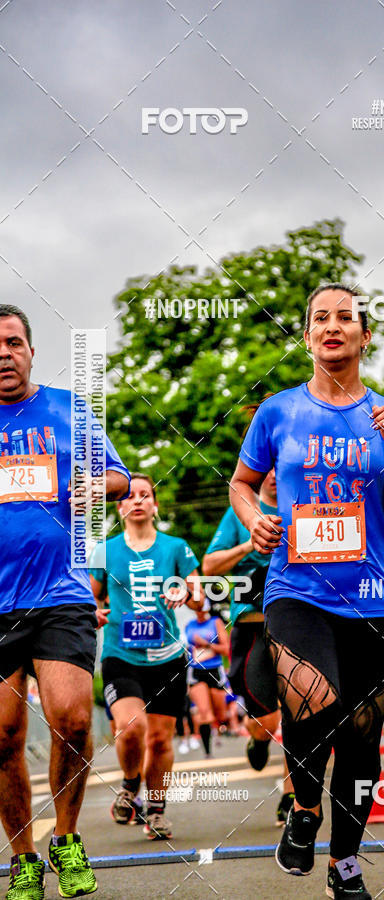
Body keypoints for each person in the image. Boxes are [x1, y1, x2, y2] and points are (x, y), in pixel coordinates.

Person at [229, 283, 384, 899]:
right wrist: (252, 518)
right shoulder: (278, 413)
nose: (333, 326)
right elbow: (243, 482)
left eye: (346, 318)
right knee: (313, 701)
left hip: (372, 598)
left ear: (365, 336)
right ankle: (304, 811)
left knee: (364, 744)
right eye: (321, 318)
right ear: (308, 334)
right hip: (295, 590)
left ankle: (345, 862)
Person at [0, 304, 130, 899]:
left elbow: (120, 480)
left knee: (73, 718)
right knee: (1, 736)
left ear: (30, 350)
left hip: (62, 591)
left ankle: (68, 839)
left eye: (13, 342)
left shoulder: (69, 409)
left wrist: (91, 485)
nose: (4, 353)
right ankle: (23, 856)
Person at [90, 473, 201, 841]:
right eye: (130, 496)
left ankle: (156, 810)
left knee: (160, 740)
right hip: (122, 654)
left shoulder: (176, 547)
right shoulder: (105, 551)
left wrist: (186, 592)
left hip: (168, 657)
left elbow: (200, 596)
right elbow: (90, 599)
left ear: (154, 505)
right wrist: (94, 613)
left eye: (145, 495)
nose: (137, 501)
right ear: (120, 507)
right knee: (131, 726)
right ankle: (129, 783)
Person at [203, 462, 294, 825]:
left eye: (279, 466)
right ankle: (258, 737)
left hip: (294, 624)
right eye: (266, 467)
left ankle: (292, 796)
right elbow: (209, 566)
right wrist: (249, 541)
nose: (273, 474)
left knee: (297, 714)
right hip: (251, 627)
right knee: (268, 720)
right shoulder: (241, 511)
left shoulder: (302, 507)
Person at [185, 601, 230, 756]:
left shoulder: (215, 623)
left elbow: (226, 649)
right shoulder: (189, 625)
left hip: (214, 670)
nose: (199, 611)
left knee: (220, 714)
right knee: (204, 712)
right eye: (196, 608)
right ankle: (207, 751)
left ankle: (217, 730)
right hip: (196, 671)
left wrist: (207, 645)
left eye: (202, 608)